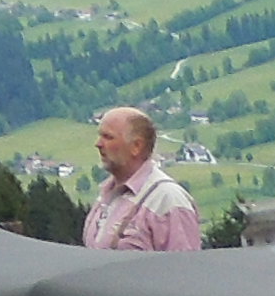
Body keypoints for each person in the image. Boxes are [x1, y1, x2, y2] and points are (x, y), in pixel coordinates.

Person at [81, 107, 203, 253]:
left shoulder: (168, 200)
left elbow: (185, 264)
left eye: (108, 137)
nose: (98, 144)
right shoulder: (106, 195)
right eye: (100, 136)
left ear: (136, 146)